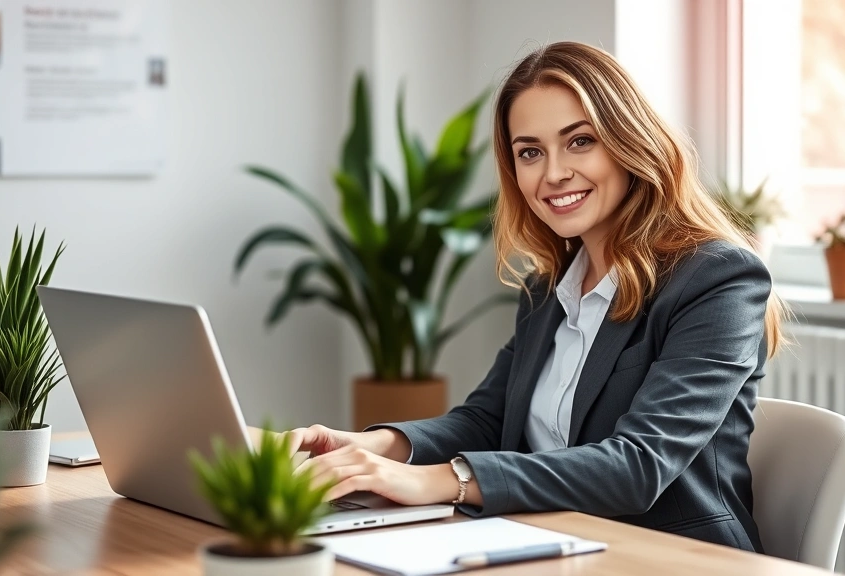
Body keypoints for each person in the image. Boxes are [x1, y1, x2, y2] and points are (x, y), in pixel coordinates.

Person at [289, 41, 787, 553]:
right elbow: (487, 419)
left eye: (579, 142)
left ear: (630, 142)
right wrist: (376, 447)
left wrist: (439, 481)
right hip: (550, 542)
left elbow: (638, 466)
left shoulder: (716, 279)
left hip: (671, 557)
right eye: (530, 152)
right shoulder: (547, 287)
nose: (552, 174)